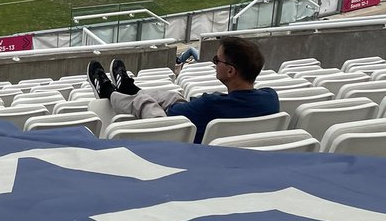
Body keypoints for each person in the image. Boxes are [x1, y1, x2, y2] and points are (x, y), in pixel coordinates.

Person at [88, 36, 279, 143]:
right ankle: (129, 87)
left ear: (230, 71)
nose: (214, 65)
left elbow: (172, 114)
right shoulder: (271, 98)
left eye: (216, 61)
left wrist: (200, 102)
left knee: (144, 102)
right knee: (173, 95)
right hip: (231, 148)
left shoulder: (210, 105)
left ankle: (108, 91)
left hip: (180, 142)